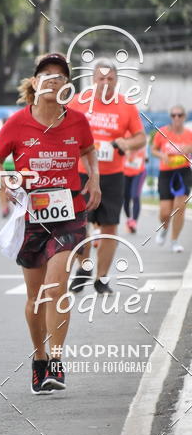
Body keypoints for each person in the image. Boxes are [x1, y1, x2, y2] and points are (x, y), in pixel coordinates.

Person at [0, 52, 100, 394]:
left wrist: (94, 179)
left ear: (67, 86)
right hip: (30, 215)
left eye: (60, 76)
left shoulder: (77, 122)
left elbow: (89, 149)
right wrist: (3, 179)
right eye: (45, 74)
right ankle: (39, 359)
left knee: (56, 287)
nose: (53, 79)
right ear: (35, 83)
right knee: (35, 296)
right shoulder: (17, 123)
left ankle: (55, 360)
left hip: (69, 214)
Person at [69, 60, 145, 294]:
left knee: (110, 227)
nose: (105, 83)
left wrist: (127, 142)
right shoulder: (78, 102)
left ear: (116, 80)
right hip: (82, 173)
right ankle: (84, 267)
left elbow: (141, 138)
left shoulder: (126, 106)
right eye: (101, 78)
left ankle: (101, 278)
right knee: (79, 225)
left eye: (109, 79)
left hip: (112, 175)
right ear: (93, 79)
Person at [151, 105, 192, 253]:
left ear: (184, 117)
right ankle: (164, 229)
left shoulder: (189, 134)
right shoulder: (162, 132)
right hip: (166, 173)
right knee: (165, 212)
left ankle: (174, 241)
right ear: (170, 117)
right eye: (174, 115)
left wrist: (190, 148)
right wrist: (162, 155)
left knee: (180, 208)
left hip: (183, 172)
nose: (177, 118)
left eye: (180, 115)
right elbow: (154, 149)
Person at [123, 138, 147, 233]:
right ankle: (129, 219)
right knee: (126, 198)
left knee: (135, 196)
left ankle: (134, 221)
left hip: (138, 173)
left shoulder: (140, 137)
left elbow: (145, 154)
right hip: (125, 173)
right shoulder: (125, 136)